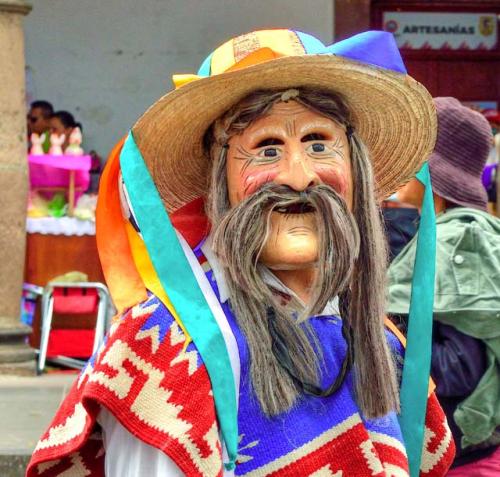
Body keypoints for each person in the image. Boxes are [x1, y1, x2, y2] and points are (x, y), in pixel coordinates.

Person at [27, 29, 455, 477]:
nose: (299, 176)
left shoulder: (379, 342)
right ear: (220, 178)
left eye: (318, 143)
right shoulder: (164, 354)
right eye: (267, 149)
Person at [388, 97, 500, 475]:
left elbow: (461, 368)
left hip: (460, 460)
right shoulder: (446, 233)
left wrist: (377, 346)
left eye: (412, 153)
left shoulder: (456, 243)